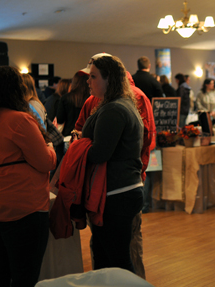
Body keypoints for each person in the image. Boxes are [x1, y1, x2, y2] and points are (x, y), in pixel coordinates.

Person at [0, 66, 56, 287]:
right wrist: (51, 147)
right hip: (21, 207)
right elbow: (45, 162)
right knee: (24, 275)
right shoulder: (19, 120)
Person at [79, 53, 144, 273]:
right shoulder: (120, 104)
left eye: (94, 76)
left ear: (110, 79)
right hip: (122, 190)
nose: (88, 81)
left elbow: (100, 153)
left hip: (116, 192)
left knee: (115, 260)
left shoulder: (114, 109)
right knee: (108, 256)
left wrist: (77, 147)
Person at [56, 72, 90, 136]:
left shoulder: (65, 98)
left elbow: (60, 119)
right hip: (85, 134)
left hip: (68, 133)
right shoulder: (90, 98)